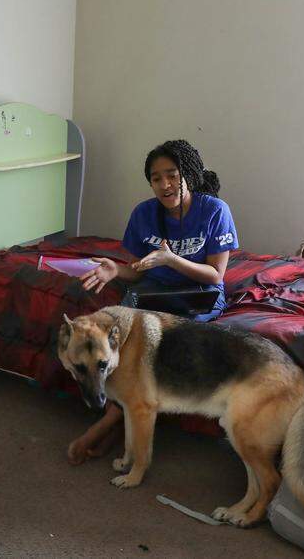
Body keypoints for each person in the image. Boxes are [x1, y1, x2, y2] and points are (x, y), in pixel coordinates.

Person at [67, 139, 239, 464]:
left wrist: (171, 259)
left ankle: (112, 421)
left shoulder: (214, 211)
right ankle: (124, 415)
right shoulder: (144, 213)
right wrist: (113, 270)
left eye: (172, 175)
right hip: (153, 294)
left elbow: (216, 275)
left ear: (188, 174)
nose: (165, 185)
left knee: (163, 350)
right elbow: (136, 270)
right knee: (128, 346)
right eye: (156, 178)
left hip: (198, 297)